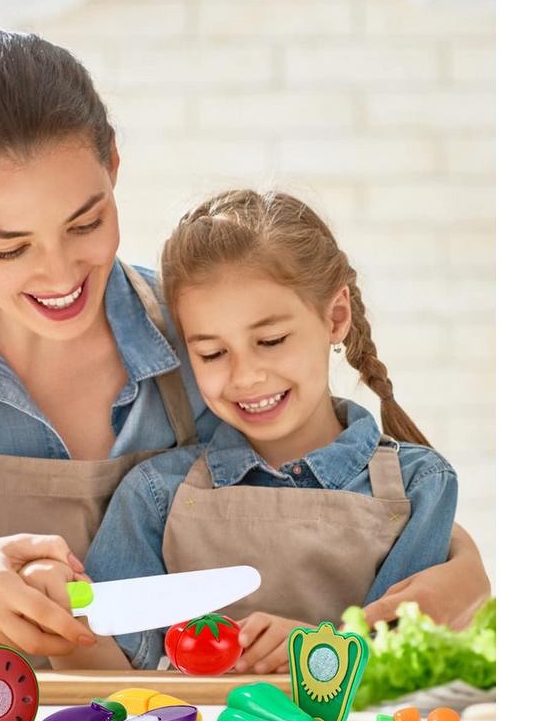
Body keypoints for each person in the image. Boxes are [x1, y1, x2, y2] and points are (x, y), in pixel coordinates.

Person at [0, 32, 490, 666]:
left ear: (114, 165)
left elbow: (322, 492)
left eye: (85, 223)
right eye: (11, 247)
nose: (59, 274)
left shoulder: (199, 339)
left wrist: (459, 563)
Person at [77, 189, 474, 672]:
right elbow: (105, 671)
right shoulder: (155, 495)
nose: (245, 376)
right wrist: (58, 617)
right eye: (212, 353)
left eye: (270, 340)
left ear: (335, 317)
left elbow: (405, 663)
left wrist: (311, 649)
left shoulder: (421, 486)